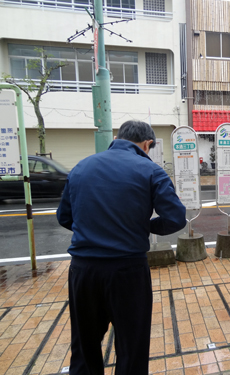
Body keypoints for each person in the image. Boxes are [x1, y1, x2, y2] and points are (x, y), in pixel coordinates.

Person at [57, 120, 186, 375]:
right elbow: (175, 218)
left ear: (117, 137)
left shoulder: (81, 167)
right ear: (147, 144)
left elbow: (64, 217)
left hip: (84, 270)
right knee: (132, 347)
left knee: (84, 346)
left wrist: (94, 229)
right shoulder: (150, 171)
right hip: (128, 271)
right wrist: (145, 226)